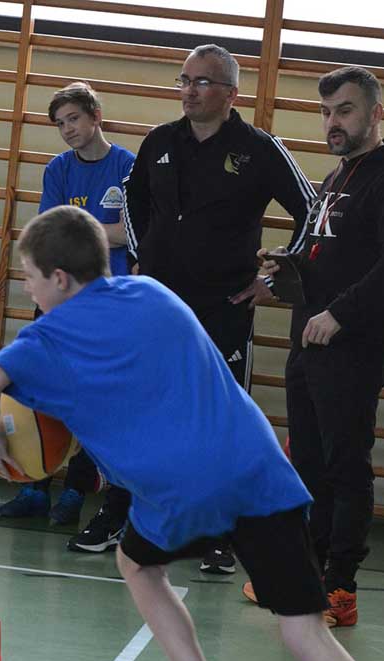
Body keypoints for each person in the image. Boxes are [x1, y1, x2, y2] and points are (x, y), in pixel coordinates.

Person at [0, 204, 384, 661]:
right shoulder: (152, 292)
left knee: (136, 564)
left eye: (29, 278)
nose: (27, 290)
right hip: (256, 467)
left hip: (181, 491)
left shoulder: (48, 339)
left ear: (60, 279)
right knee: (306, 632)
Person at [123, 44, 315, 575]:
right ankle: (148, 520)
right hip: (161, 304)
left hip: (224, 306)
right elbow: (133, 199)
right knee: (155, 411)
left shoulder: (259, 149)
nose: (189, 90)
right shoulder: (160, 141)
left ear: (231, 93)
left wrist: (275, 278)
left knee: (221, 419)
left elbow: (311, 210)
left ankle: (222, 533)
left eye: (202, 82)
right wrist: (142, 258)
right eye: (184, 80)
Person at [254, 67, 384, 627]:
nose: (332, 122)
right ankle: (308, 576)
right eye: (326, 112)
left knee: (345, 464)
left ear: (376, 113)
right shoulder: (338, 177)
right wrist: (283, 270)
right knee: (307, 459)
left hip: (354, 344)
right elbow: (327, 256)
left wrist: (340, 314)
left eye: (344, 111)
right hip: (310, 338)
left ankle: (340, 587)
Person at [0, 82, 134, 550]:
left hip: (106, 302)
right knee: (43, 390)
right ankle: (35, 485)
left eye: (74, 119)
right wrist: (100, 231)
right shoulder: (58, 169)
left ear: (96, 116)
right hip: (59, 300)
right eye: (60, 124)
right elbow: (51, 234)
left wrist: (85, 230)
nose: (68, 130)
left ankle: (77, 489)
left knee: (92, 399)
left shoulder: (127, 167)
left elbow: (132, 233)